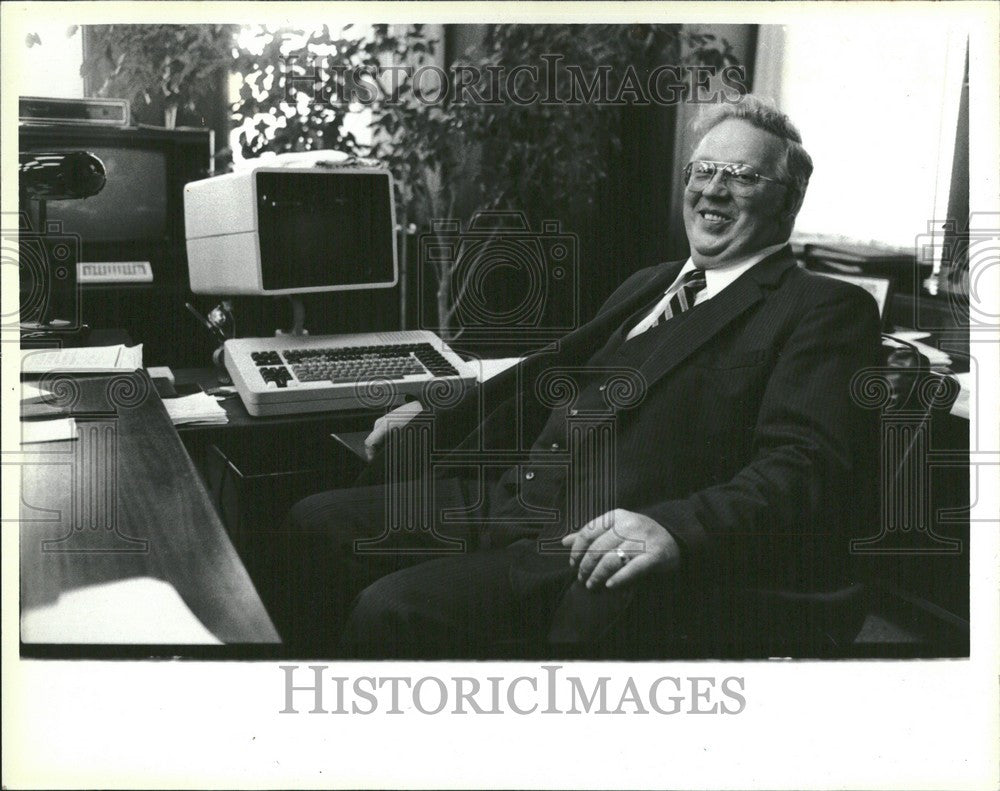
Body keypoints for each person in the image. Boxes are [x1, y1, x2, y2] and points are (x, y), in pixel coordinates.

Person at [278, 95, 882, 658]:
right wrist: (431, 414)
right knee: (312, 525)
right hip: (504, 501)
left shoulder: (824, 307)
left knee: (389, 611)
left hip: (583, 545)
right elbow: (543, 377)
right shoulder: (649, 283)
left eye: (743, 177)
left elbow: (804, 467)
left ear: (790, 201)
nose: (713, 191)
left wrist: (675, 528)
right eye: (703, 171)